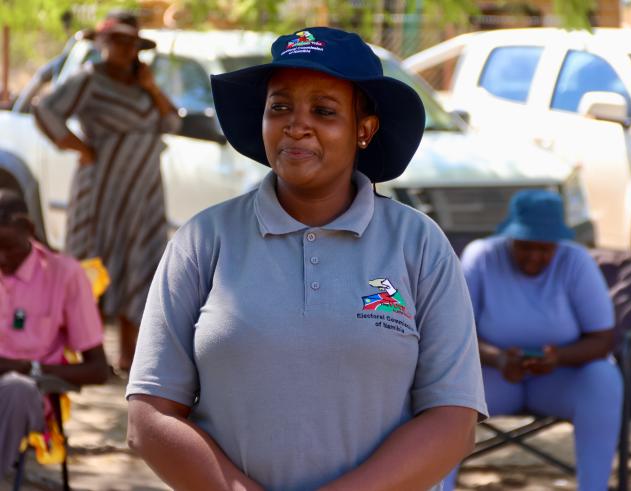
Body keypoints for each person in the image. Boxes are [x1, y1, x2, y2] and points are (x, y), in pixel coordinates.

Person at [126, 27, 488, 491]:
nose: (296, 124)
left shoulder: (419, 245)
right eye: (280, 107)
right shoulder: (203, 241)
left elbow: (452, 419)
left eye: (324, 110)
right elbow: (149, 417)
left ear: (365, 129)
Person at [443, 190, 622, 491]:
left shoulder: (576, 261)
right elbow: (454, 331)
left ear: (558, 243)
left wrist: (557, 358)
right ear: (510, 237)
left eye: (545, 248)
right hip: (492, 378)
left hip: (559, 379)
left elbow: (603, 339)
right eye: (525, 246)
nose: (534, 257)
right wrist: (499, 358)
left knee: (604, 376)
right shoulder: (482, 255)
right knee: (444, 381)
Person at [33, 11, 180, 371]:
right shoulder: (88, 79)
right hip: (100, 189)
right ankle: (88, 353)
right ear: (102, 44)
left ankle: (129, 355)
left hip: (142, 192)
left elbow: (172, 121)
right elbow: (45, 111)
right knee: (93, 264)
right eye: (117, 41)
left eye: (131, 42)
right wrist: (79, 147)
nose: (124, 49)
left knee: (138, 265)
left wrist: (150, 87)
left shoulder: (145, 82)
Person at [0, 189, 109, 476]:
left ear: (30, 231)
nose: (1, 257)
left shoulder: (64, 275)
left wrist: (30, 368)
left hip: (25, 392)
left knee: (16, 389)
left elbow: (98, 370)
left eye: (7, 246)